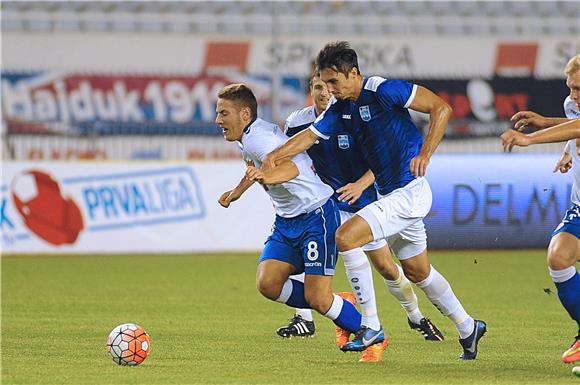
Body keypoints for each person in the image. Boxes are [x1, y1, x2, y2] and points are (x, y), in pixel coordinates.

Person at [263, 41, 486, 360]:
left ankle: (370, 325)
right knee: (418, 272)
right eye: (323, 84)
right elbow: (310, 136)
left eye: (333, 82)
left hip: (409, 192)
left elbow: (441, 108)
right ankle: (468, 327)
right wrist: (273, 156)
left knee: (345, 236)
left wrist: (425, 153)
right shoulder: (340, 109)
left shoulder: (384, 90)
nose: (328, 89)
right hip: (388, 194)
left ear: (353, 73)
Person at [276, 73, 444, 362]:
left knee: (387, 268)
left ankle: (415, 316)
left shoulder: (350, 115)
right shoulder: (298, 123)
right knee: (304, 253)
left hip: (364, 203)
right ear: (311, 92)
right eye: (318, 87)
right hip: (327, 206)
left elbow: (379, 159)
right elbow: (293, 161)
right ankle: (304, 318)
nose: (325, 93)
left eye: (329, 87)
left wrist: (361, 184)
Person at [215, 83, 380, 355]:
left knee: (318, 298)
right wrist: (237, 192)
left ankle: (370, 332)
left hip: (315, 215)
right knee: (268, 283)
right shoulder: (249, 137)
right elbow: (256, 169)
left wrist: (266, 176)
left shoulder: (259, 140)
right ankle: (338, 305)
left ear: (245, 114)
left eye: (223, 113)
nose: (217, 120)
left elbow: (290, 168)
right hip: (286, 221)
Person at [501, 54, 580, 365]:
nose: (574, 95)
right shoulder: (571, 105)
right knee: (558, 257)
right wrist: (566, 150)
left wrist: (531, 138)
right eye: (571, 87)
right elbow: (575, 127)